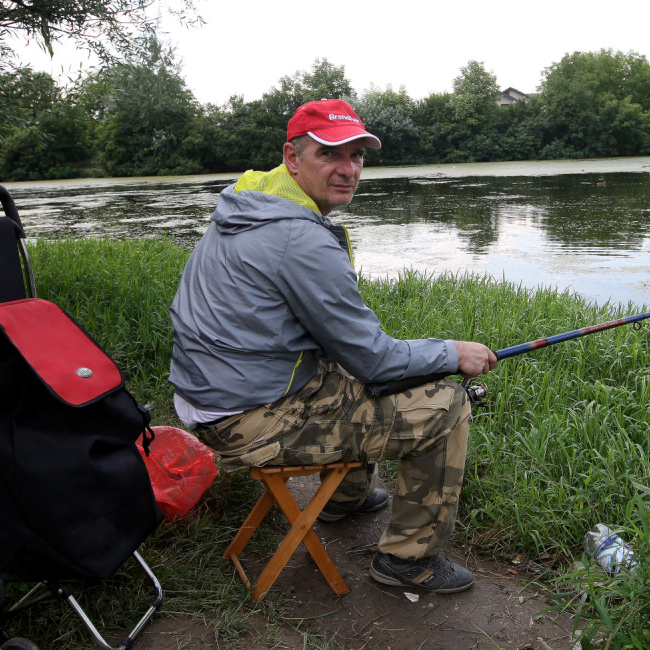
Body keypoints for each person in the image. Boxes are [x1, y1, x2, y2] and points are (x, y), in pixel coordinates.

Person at [168, 98, 497, 593]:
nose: (349, 170)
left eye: (358, 156)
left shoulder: (248, 205)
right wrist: (453, 353)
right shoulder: (298, 238)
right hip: (247, 420)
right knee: (446, 405)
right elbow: (375, 359)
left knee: (346, 380)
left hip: (208, 399)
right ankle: (408, 562)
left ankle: (343, 500)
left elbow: (354, 358)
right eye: (331, 155)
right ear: (293, 157)